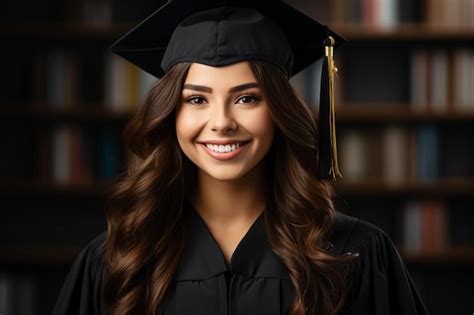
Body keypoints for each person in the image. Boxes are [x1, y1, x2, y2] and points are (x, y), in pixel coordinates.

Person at [52, 0, 429, 314]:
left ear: (280, 111)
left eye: (247, 98)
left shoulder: (353, 252)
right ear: (171, 114)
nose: (221, 123)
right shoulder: (119, 260)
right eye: (196, 99)